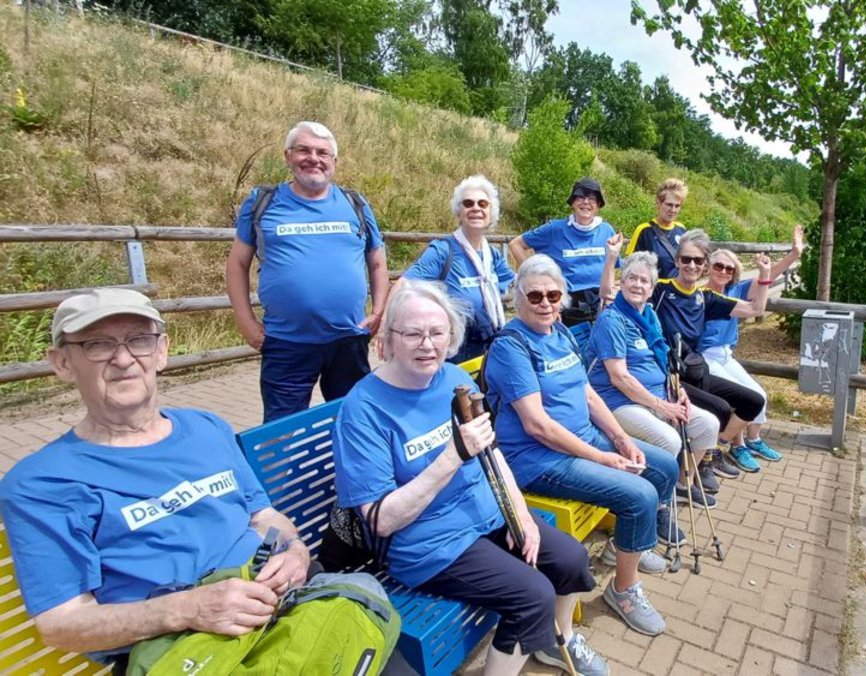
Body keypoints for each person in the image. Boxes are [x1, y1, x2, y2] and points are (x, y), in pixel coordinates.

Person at [0, 289, 312, 669]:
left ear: (161, 351)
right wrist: (187, 610)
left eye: (139, 340)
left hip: (285, 618)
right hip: (184, 653)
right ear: (62, 362)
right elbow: (60, 623)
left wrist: (295, 548)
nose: (124, 358)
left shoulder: (207, 427)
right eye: (98, 345)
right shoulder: (41, 484)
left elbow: (263, 516)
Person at [332, 281, 608, 676]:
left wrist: (522, 517)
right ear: (389, 339)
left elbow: (491, 452)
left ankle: (554, 640)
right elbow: (381, 519)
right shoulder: (364, 410)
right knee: (532, 595)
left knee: (570, 559)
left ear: (451, 337)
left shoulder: (449, 378)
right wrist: (452, 456)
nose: (427, 344)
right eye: (412, 333)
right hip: (427, 543)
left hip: (484, 516)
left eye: (437, 333)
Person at [485, 255, 679, 636]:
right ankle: (623, 590)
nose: (545, 303)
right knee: (639, 495)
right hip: (539, 458)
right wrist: (603, 456)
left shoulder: (561, 334)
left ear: (563, 298)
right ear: (518, 298)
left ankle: (625, 548)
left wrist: (621, 439)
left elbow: (588, 393)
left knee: (663, 467)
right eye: (535, 295)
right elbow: (537, 425)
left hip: (583, 439)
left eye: (553, 295)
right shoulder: (512, 346)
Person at [226, 121, 390, 423]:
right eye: (304, 150)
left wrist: (379, 311)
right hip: (286, 342)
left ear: (334, 162)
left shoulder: (355, 203)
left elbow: (377, 262)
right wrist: (246, 322)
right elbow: (237, 264)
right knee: (281, 431)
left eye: (322, 153)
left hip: (349, 339)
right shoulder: (264, 202)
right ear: (288, 156)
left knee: (354, 421)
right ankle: (282, 473)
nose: (313, 158)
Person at [588, 250, 723, 509]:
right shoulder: (612, 320)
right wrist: (662, 407)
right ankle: (657, 505)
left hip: (657, 396)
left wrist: (676, 390)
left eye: (644, 281)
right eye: (632, 279)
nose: (637, 285)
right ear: (622, 283)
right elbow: (620, 378)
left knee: (708, 424)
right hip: (617, 403)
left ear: (652, 289)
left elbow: (662, 361)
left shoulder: (649, 316)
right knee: (668, 440)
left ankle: (683, 485)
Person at [649, 229, 772, 475]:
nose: (691, 265)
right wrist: (611, 259)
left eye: (697, 260)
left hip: (694, 370)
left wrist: (765, 273)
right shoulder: (660, 290)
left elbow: (757, 308)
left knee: (754, 401)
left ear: (705, 265)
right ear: (676, 261)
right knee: (721, 409)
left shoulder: (706, 298)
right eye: (686, 259)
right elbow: (615, 294)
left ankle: (711, 452)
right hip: (668, 374)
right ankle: (694, 470)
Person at [701, 224, 806, 463]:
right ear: (709, 268)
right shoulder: (701, 296)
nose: (724, 271)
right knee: (743, 397)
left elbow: (767, 277)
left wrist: (794, 254)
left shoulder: (735, 290)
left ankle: (753, 440)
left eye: (729, 268)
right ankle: (727, 446)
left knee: (760, 394)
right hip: (706, 355)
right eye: (718, 266)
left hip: (726, 354)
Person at [398, 174, 513, 363]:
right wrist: (388, 328)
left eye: (482, 204)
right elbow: (404, 285)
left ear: (491, 212)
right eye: (468, 203)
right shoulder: (443, 251)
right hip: (458, 348)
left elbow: (518, 285)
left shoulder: (492, 254)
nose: (476, 208)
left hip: (490, 342)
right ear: (459, 211)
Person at [508, 178, 617, 324]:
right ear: (572, 202)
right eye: (580, 197)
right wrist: (533, 275)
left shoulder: (607, 230)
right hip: (564, 308)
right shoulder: (555, 229)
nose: (586, 202)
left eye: (592, 198)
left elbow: (612, 269)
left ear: (598, 205)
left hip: (600, 308)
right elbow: (516, 244)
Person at [624, 178, 690, 279]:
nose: (673, 210)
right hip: (654, 291)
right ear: (659, 203)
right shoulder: (644, 230)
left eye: (677, 206)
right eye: (669, 204)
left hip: (677, 290)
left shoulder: (682, 229)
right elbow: (629, 266)